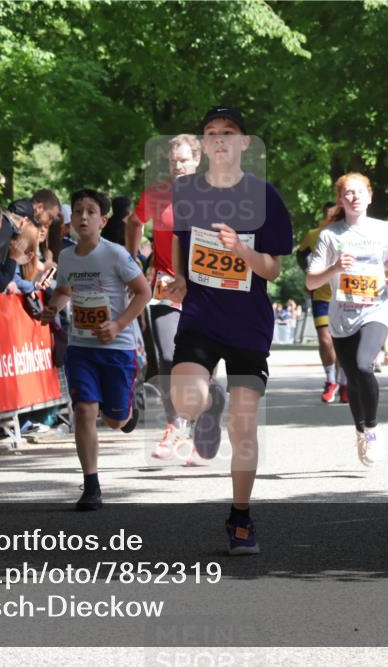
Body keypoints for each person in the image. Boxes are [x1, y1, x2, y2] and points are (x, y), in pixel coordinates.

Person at [164, 106, 293, 555]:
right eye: (211, 132)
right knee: (186, 400)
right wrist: (181, 278)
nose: (219, 138)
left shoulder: (264, 196)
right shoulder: (186, 191)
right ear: (203, 144)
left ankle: (241, 516)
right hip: (201, 316)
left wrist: (240, 250)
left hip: (247, 323)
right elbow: (181, 240)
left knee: (243, 428)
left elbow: (272, 269)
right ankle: (209, 405)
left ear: (244, 143)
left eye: (229, 132)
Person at [40, 189, 150, 510]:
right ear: (71, 219)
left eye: (91, 212)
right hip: (81, 347)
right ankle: (91, 486)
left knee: (115, 421)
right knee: (85, 411)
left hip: (117, 348)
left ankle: (127, 413)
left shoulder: (116, 254)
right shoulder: (67, 256)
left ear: (103, 220)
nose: (83, 217)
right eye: (78, 211)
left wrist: (118, 325)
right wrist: (53, 307)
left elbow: (143, 292)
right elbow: (64, 289)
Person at [306, 172, 388, 466]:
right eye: (348, 192)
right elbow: (311, 281)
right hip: (342, 317)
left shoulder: (383, 230)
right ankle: (360, 431)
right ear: (340, 200)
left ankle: (372, 429)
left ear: (369, 197)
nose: (354, 196)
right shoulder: (330, 235)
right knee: (352, 379)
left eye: (360, 191)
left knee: (363, 365)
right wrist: (334, 268)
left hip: (376, 309)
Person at [126, 134, 203, 460]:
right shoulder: (156, 193)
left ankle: (199, 430)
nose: (178, 166)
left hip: (203, 285)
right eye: (173, 161)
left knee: (201, 360)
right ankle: (174, 424)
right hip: (166, 284)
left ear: (197, 160)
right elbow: (134, 222)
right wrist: (131, 261)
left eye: (183, 160)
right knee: (169, 357)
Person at [297, 202, 347, 403]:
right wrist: (308, 274)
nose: (333, 219)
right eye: (330, 216)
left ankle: (344, 383)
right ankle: (330, 380)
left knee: (342, 342)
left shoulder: (346, 234)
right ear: (324, 216)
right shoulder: (313, 235)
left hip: (344, 296)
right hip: (321, 295)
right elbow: (300, 255)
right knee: (326, 340)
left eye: (337, 216)